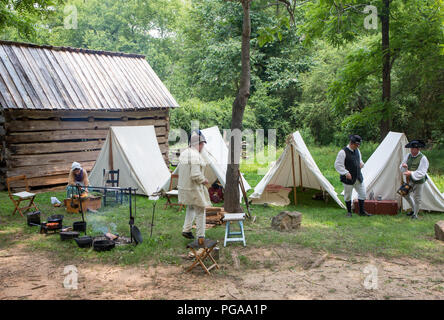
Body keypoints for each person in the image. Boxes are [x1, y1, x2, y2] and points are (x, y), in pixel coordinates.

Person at [178, 130, 211, 242]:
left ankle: (186, 230)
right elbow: (195, 174)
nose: (203, 146)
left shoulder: (185, 153)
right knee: (201, 211)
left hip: (184, 188)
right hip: (192, 188)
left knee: (191, 207)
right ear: (198, 144)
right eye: (202, 144)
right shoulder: (195, 156)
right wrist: (204, 180)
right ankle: (201, 237)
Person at [334, 135, 372, 217]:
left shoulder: (357, 150)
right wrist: (345, 172)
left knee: (362, 193)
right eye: (357, 145)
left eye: (358, 145)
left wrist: (361, 163)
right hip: (348, 179)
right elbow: (337, 165)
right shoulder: (342, 152)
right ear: (352, 143)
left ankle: (361, 212)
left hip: (358, 177)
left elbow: (359, 160)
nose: (358, 146)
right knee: (348, 196)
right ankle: (349, 212)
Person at [399, 140, 429, 220]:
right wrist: (404, 166)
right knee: (404, 193)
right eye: (411, 148)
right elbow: (401, 166)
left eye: (413, 149)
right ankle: (413, 209)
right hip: (410, 180)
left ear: (418, 149)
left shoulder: (423, 158)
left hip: (419, 181)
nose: (412, 150)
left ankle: (415, 215)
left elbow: (422, 172)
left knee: (417, 198)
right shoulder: (408, 156)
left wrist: (411, 173)